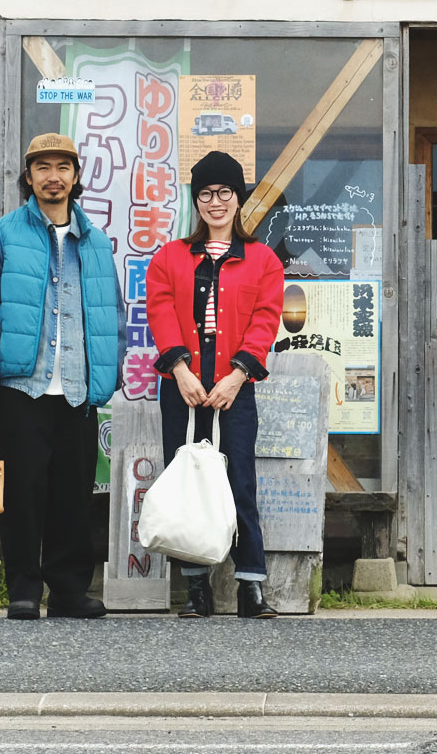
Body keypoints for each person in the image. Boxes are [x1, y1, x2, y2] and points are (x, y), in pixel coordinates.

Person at [0, 133, 126, 621]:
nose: (53, 177)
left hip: (77, 389)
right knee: (22, 493)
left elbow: (113, 314)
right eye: (43, 168)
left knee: (72, 494)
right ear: (29, 176)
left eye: (62, 167)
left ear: (75, 177)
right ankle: (23, 589)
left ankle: (69, 591)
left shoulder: (95, 242)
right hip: (21, 387)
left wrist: (108, 373)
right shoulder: (4, 235)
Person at [146, 150, 284, 619]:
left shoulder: (263, 260)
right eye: (206, 193)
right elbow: (160, 312)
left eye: (225, 192)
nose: (216, 201)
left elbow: (265, 320)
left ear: (238, 198)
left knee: (239, 479)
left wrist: (237, 375)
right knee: (187, 481)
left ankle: (251, 587)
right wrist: (180, 371)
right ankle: (196, 589)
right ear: (196, 201)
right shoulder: (169, 257)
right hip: (182, 386)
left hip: (234, 387)